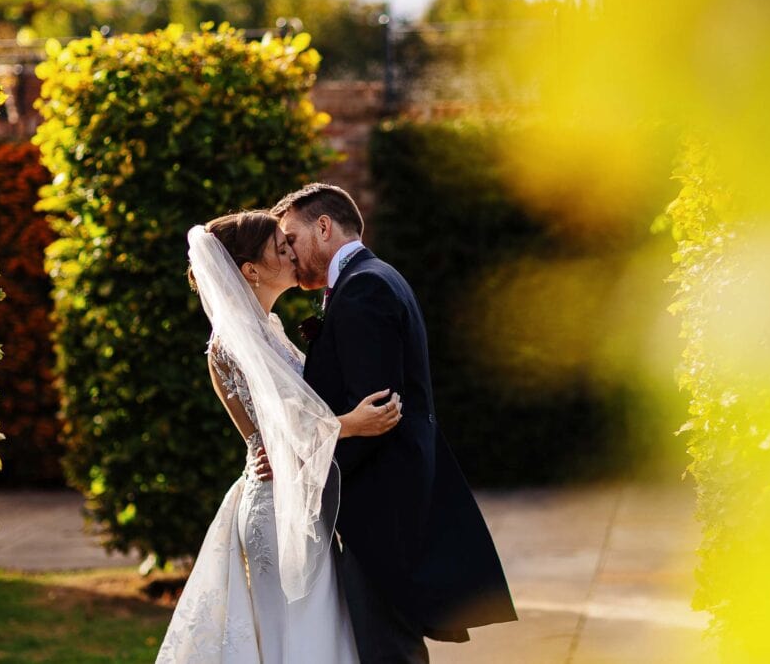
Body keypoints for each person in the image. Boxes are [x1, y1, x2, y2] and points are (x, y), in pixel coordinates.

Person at [273, 183, 518, 663]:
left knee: (387, 647)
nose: (290, 253)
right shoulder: (373, 277)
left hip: (377, 506)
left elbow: (378, 413)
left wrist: (310, 469)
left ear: (324, 227)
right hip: (387, 496)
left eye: (292, 238)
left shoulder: (364, 287)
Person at [157, 210, 402, 663]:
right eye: (280, 247)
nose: (293, 252)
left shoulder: (269, 329)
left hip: (295, 499)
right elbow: (280, 426)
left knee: (313, 633)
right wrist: (351, 423)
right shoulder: (231, 342)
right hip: (276, 507)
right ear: (251, 270)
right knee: (295, 637)